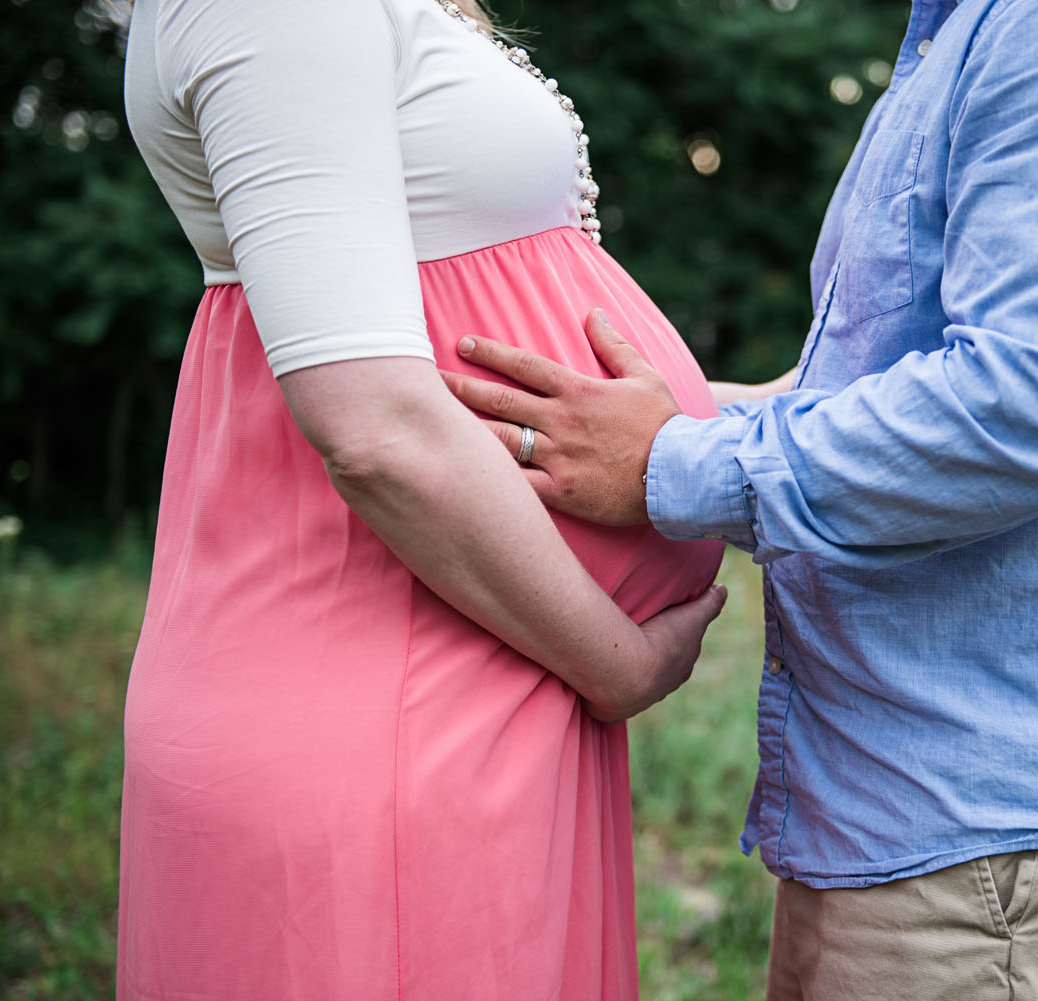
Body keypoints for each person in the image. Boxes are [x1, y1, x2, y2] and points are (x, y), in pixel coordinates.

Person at [444, 0, 1038, 997]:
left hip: (996, 839)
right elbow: (869, 393)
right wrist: (612, 422)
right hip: (906, 819)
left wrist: (671, 464)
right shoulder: (966, 39)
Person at [117, 0, 727, 997]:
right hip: (388, 706)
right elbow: (376, 430)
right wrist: (615, 664)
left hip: (476, 668)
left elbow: (474, 355)